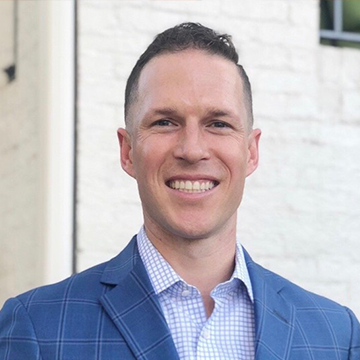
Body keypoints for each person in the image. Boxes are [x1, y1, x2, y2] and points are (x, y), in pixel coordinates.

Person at [0, 22, 359, 360]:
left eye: (218, 123)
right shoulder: (39, 328)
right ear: (127, 152)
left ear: (251, 152)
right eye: (165, 122)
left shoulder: (335, 336)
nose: (191, 149)